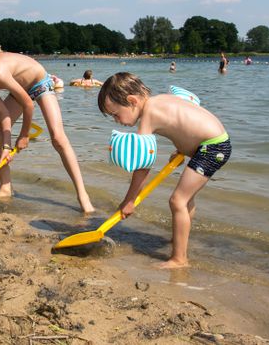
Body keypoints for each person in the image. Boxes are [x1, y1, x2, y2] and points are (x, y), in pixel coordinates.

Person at [97, 72, 231, 268]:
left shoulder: (148, 116)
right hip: (214, 142)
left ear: (132, 101)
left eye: (116, 114)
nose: (117, 120)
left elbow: (143, 165)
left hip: (212, 147)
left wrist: (130, 200)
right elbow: (186, 121)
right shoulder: (160, 100)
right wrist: (183, 148)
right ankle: (179, 240)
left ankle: (179, 259)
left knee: (178, 201)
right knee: (186, 200)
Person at [0, 53, 95, 213]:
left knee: (58, 138)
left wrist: (24, 135)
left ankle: (82, 195)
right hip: (20, 89)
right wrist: (7, 146)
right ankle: (5, 188)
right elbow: (4, 113)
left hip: (40, 82)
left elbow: (28, 105)